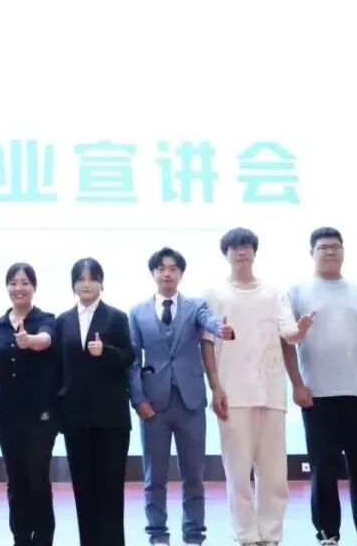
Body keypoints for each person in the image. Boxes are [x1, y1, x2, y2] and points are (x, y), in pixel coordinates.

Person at [200, 228, 313, 546]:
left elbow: (289, 335)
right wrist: (215, 387)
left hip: (271, 391)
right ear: (226, 254)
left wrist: (301, 330)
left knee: (274, 472)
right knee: (237, 473)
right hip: (234, 394)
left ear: (254, 252)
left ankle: (271, 534)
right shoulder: (214, 293)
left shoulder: (274, 293)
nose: (241, 252)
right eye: (235, 247)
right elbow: (207, 343)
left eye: (247, 246)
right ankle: (246, 535)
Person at [283, 228, 357, 546]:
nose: (330, 251)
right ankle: (327, 533)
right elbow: (287, 341)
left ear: (343, 251)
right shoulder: (297, 291)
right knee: (324, 471)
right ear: (312, 253)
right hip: (318, 395)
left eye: (335, 246)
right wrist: (297, 385)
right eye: (323, 247)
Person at [129, 247, 234, 546]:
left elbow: (210, 321)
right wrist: (138, 399)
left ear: (181, 274)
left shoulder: (195, 306)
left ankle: (194, 535)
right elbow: (133, 360)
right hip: (154, 404)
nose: (167, 273)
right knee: (154, 477)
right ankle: (157, 534)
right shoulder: (137, 312)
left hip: (191, 402)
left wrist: (221, 328)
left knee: (194, 475)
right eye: (161, 268)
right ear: (153, 273)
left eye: (173, 268)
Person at [56, 258, 134, 546]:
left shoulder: (116, 317)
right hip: (76, 418)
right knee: (83, 489)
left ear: (102, 282)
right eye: (80, 279)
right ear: (73, 284)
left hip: (111, 418)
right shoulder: (62, 321)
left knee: (110, 489)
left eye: (92, 278)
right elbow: (58, 368)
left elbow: (129, 356)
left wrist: (106, 352)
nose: (86, 284)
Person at [0, 262, 57, 546]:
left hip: (40, 415)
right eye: (13, 283)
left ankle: (43, 539)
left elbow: (46, 340)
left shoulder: (46, 319)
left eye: (25, 282)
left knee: (37, 479)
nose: (19, 288)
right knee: (15, 481)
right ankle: (21, 538)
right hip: (7, 415)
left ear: (34, 287)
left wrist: (29, 340)